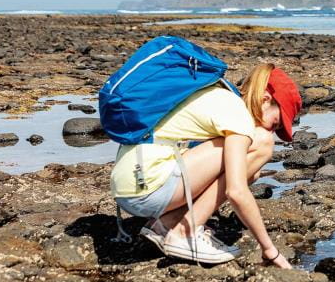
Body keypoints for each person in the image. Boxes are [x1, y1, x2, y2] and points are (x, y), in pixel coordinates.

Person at [110, 63, 301, 266]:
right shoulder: (238, 116)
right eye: (275, 123)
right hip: (149, 188)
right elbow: (235, 191)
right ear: (265, 100)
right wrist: (270, 250)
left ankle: (164, 225)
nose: (272, 130)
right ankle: (185, 232)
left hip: (130, 185)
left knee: (248, 171)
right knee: (261, 143)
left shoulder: (218, 95)